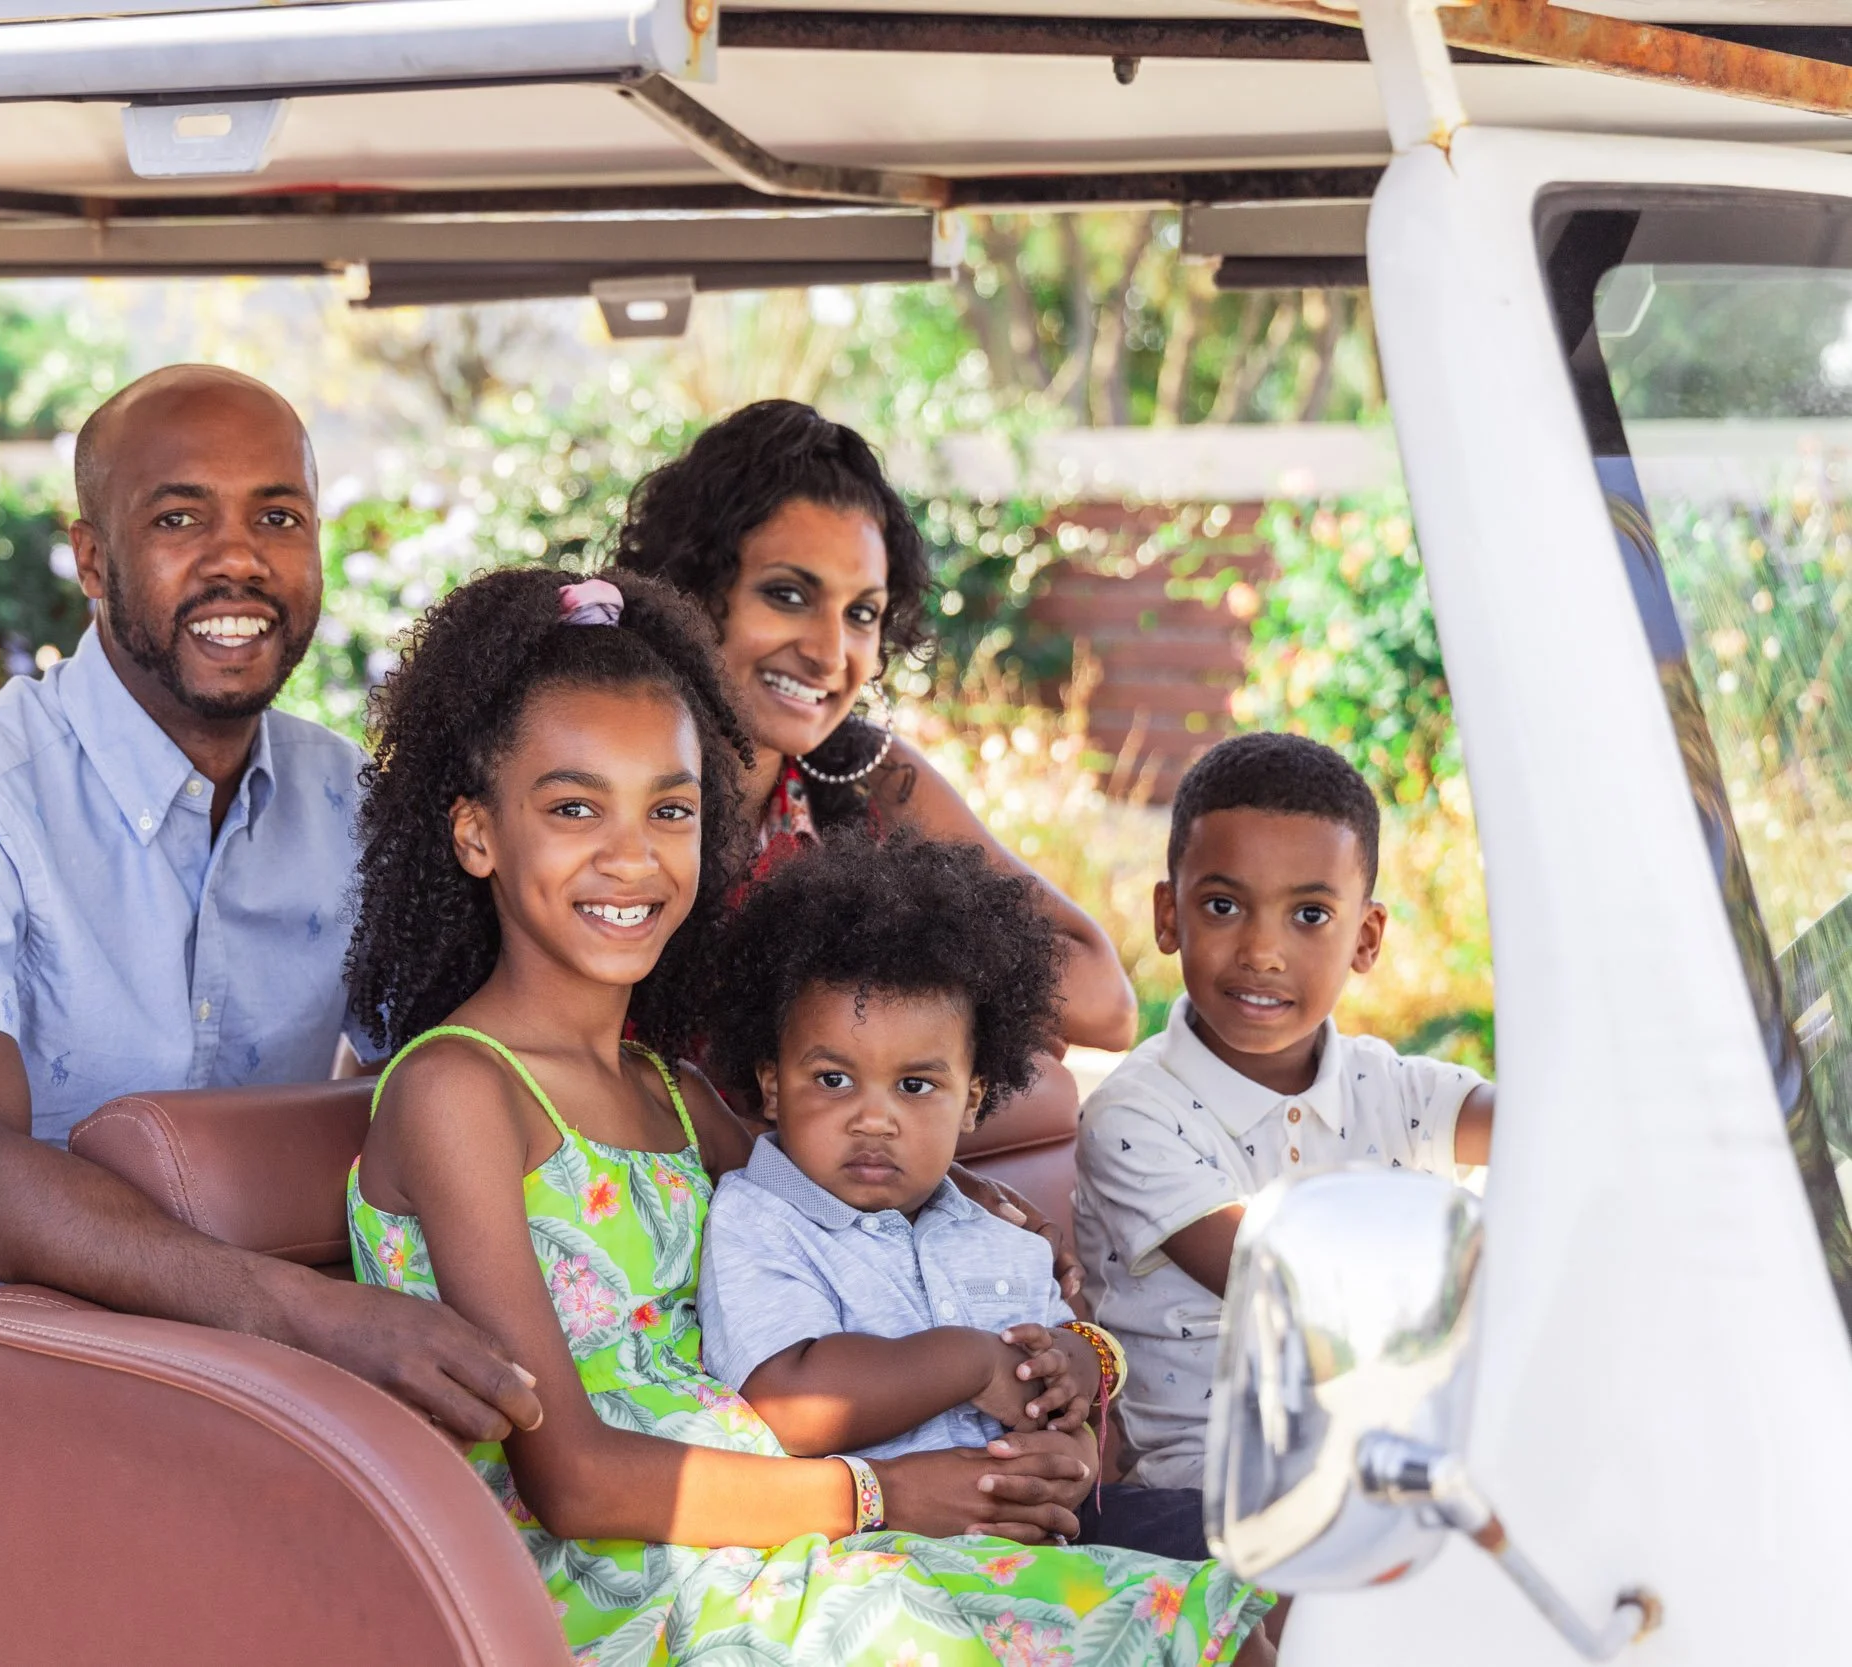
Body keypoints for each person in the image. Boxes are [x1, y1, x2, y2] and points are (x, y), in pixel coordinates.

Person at [343, 566, 1276, 1665]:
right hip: (622, 1577)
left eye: (671, 807)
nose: (630, 853)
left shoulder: (677, 1097)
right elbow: (573, 1474)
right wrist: (879, 1493)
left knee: (1215, 1618)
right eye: (571, 806)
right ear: (475, 834)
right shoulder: (459, 1087)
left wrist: (1051, 1403)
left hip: (778, 1530)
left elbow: (887, 1238)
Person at [0, 366, 540, 1601]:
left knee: (493, 1526)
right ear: (93, 561)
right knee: (220, 1570)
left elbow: (452, 1075)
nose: (240, 559)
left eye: (278, 515)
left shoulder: (353, 806)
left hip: (196, 1353)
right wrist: (311, 1320)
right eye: (179, 518)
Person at [695, 832, 1215, 1562]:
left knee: (1254, 1556)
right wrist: (970, 1362)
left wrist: (1073, 1429)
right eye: (834, 1079)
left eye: (915, 1086)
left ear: (971, 1102)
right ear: (774, 1084)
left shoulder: (999, 1234)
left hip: (1045, 1533)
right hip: (879, 1554)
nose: (874, 1117)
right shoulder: (760, 1219)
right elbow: (790, 1398)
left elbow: (1072, 1405)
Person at [612, 399, 1138, 1053]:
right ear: (690, 586)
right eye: (788, 595)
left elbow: (1104, 1002)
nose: (830, 654)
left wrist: (895, 947)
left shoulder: (869, 777)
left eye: (862, 613)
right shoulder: (603, 767)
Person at [1072, 732, 1497, 1490]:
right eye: (1225, 905)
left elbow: (1560, 1123)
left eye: (1309, 914)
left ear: (1365, 938)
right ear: (1170, 917)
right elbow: (1285, 1282)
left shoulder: (1395, 1088)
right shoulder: (1133, 1118)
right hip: (1211, 1497)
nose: (1263, 950)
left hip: (1386, 1460)